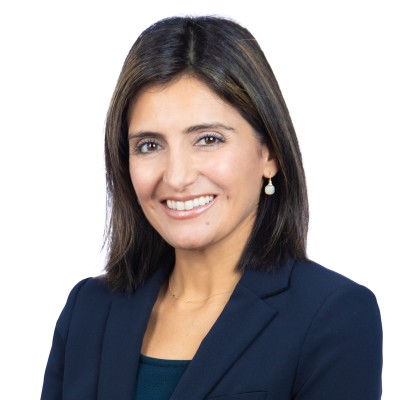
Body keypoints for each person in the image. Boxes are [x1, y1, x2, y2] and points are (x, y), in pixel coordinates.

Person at [40, 16, 382, 400]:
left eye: (208, 139)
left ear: (270, 154)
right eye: (149, 145)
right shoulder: (89, 310)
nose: (177, 177)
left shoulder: (333, 315)